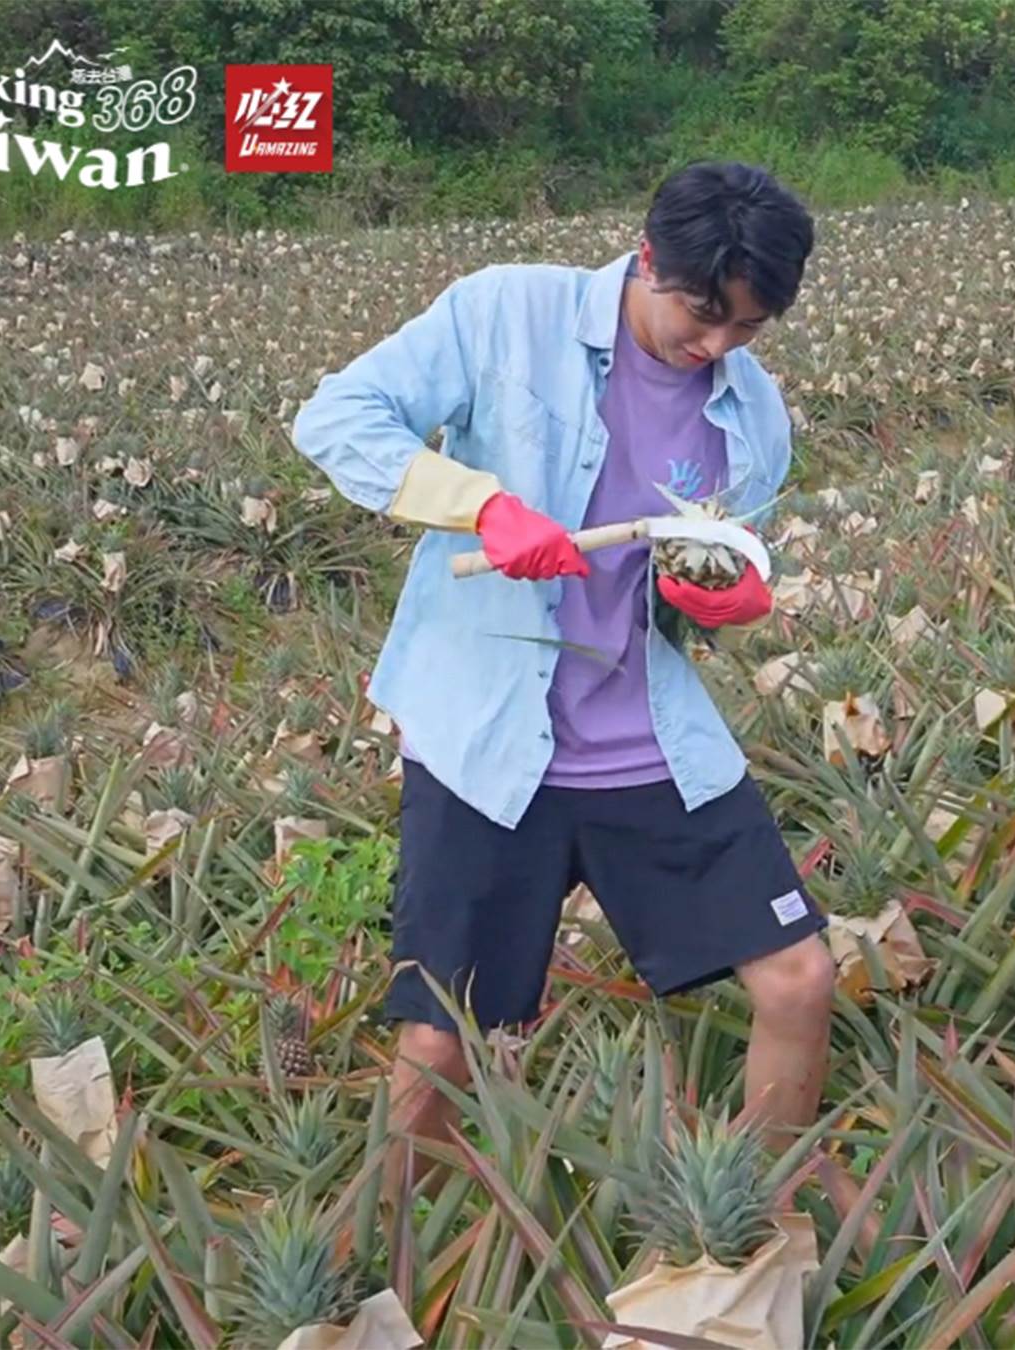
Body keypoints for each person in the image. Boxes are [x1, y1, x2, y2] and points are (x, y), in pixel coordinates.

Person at [289, 161, 839, 1158]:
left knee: (799, 978)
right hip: (493, 740)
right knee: (440, 1038)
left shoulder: (752, 415)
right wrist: (484, 506)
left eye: (748, 328)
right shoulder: (506, 312)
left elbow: (705, 580)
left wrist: (727, 599)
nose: (715, 345)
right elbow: (336, 418)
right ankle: (388, 1264)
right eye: (702, 313)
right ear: (646, 256)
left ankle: (761, 1219)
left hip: (648, 742)